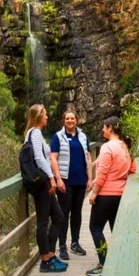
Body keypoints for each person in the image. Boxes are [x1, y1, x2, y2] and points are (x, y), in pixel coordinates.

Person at [86, 116, 136, 276]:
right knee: (116, 229)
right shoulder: (124, 146)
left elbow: (103, 174)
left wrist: (94, 192)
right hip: (120, 194)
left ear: (110, 128)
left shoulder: (108, 147)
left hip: (106, 194)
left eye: (104, 127)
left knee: (95, 228)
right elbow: (132, 168)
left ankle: (104, 263)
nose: (102, 130)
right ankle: (120, 263)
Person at [24, 104, 67, 273]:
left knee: (58, 217)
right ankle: (46, 260)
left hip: (43, 182)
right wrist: (52, 178)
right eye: (45, 115)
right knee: (43, 221)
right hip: (42, 183)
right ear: (38, 117)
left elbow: (45, 155)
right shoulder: (34, 132)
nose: (48, 117)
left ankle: (50, 254)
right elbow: (39, 158)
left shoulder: (36, 133)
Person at [50, 110, 92, 261]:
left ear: (77, 120)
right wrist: (58, 179)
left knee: (77, 212)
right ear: (64, 120)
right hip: (66, 182)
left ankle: (75, 242)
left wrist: (90, 179)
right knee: (64, 213)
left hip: (81, 181)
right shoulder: (58, 137)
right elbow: (53, 158)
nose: (70, 120)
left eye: (72, 118)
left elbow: (88, 156)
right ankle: (62, 246)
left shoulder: (82, 136)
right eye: (67, 118)